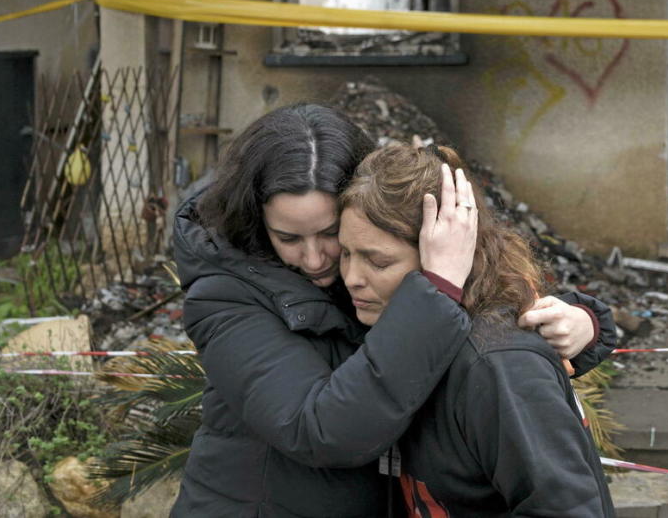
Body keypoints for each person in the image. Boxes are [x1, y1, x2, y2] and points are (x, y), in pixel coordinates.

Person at [172, 103, 614, 517]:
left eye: (330, 234)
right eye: (288, 238)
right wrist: (435, 292)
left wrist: (581, 324)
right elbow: (323, 430)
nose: (315, 260)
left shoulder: (389, 273)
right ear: (254, 219)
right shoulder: (225, 295)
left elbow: (488, 313)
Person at [339, 142, 617, 517]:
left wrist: (588, 320)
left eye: (378, 261)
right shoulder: (385, 326)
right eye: (345, 253)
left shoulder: (496, 366)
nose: (352, 278)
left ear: (447, 254)